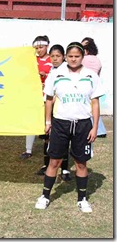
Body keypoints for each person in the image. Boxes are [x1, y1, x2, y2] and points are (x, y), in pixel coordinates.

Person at [35, 42, 104, 212]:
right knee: (55, 161)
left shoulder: (91, 75)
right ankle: (45, 196)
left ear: (82, 57)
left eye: (77, 56)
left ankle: (82, 199)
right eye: (70, 56)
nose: (73, 59)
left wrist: (95, 127)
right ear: (66, 56)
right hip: (60, 123)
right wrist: (48, 122)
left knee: (81, 163)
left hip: (82, 125)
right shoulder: (56, 74)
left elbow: (95, 103)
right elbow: (49, 100)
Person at [36, 44, 72, 182]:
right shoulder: (51, 70)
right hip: (49, 108)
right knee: (47, 137)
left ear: (63, 57)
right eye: (52, 56)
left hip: (61, 111)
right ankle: (46, 165)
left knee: (63, 140)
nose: (55, 59)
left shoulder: (66, 71)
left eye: (58, 56)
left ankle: (64, 168)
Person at [20, 35, 52, 159]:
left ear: (47, 46)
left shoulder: (53, 59)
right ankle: (28, 150)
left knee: (49, 122)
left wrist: (46, 75)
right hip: (34, 95)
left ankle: (49, 148)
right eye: (36, 48)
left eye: (41, 47)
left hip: (48, 96)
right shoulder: (32, 60)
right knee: (31, 121)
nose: (39, 50)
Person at [81, 37, 107, 138]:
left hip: (84, 85)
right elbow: (98, 74)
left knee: (86, 109)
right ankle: (100, 130)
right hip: (94, 86)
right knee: (95, 107)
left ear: (86, 50)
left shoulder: (83, 59)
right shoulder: (98, 60)